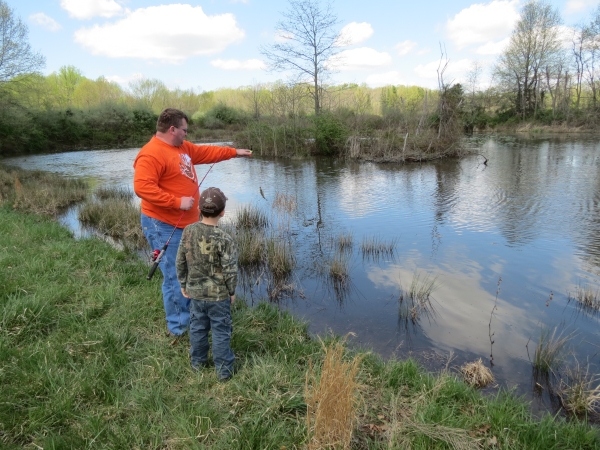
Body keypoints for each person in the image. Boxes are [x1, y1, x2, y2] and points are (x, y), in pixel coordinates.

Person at [133, 108, 250, 337]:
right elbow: (142, 187)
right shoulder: (151, 154)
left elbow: (206, 152)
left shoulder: (183, 147)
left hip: (184, 224)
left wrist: (234, 152)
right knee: (175, 275)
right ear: (172, 129)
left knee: (188, 271)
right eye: (184, 130)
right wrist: (177, 202)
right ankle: (179, 328)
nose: (187, 134)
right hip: (162, 224)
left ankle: (191, 316)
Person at [175, 187, 237, 380]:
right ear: (222, 212)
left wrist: (183, 283)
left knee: (198, 328)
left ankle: (198, 364)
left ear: (199, 210)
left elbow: (180, 260)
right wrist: (231, 291)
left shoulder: (188, 231)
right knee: (220, 331)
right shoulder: (225, 239)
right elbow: (230, 269)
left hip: (195, 294)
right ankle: (224, 372)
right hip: (218, 297)